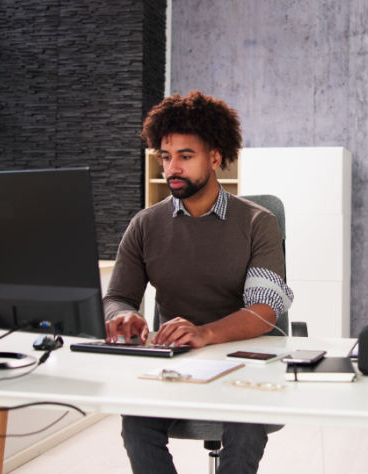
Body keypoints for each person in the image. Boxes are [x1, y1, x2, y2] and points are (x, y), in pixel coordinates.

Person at [103, 90, 294, 474]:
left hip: (244, 361)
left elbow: (264, 311)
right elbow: (117, 297)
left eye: (185, 156)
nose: (172, 167)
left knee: (246, 430)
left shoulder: (258, 222)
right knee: (136, 424)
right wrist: (124, 316)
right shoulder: (145, 225)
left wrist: (205, 333)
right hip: (175, 361)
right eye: (165, 157)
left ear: (216, 158)